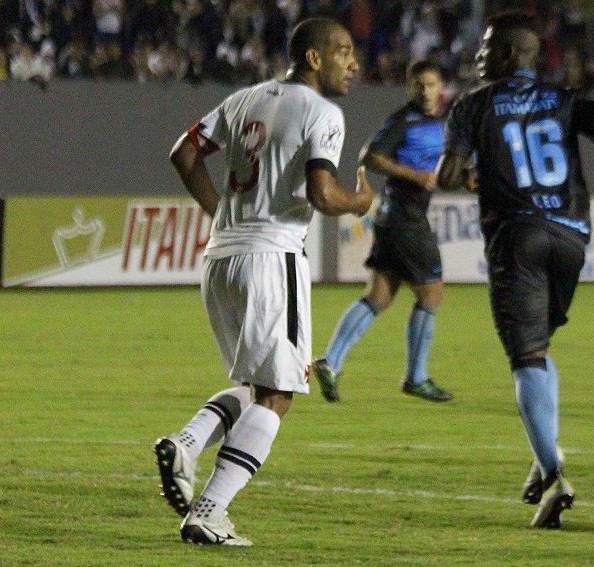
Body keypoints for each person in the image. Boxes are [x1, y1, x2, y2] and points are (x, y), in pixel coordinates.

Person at [156, 17, 373, 546]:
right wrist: (361, 201)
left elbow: (183, 154)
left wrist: (220, 215)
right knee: (278, 394)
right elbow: (323, 195)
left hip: (222, 257)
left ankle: (188, 442)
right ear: (315, 59)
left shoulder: (244, 99)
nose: (355, 63)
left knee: (260, 386)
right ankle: (209, 511)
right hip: (273, 257)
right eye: (344, 51)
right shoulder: (323, 112)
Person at [436, 11, 594, 529]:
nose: (478, 56)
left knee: (526, 358)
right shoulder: (563, 100)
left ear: (510, 53)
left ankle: (555, 474)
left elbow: (447, 178)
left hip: (517, 235)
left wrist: (462, 166)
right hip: (569, 235)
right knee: (540, 349)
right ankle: (542, 458)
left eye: (487, 48)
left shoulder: (473, 105)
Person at [311, 59, 455, 403]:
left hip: (395, 218)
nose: (425, 91)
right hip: (406, 219)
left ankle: (331, 361)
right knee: (432, 294)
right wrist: (413, 175)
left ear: (441, 87)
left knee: (379, 297)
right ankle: (416, 377)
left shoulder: (439, 123)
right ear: (410, 87)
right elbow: (369, 156)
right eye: (419, 85)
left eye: (431, 84)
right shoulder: (403, 120)